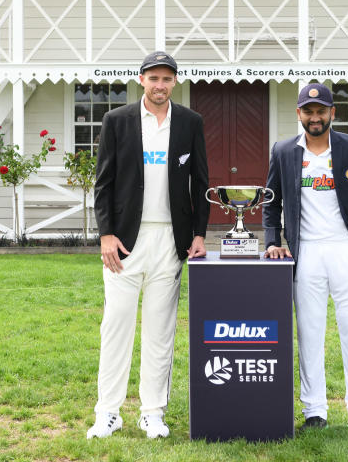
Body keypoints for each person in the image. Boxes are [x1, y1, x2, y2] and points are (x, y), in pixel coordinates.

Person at [87, 51, 209, 440]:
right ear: (141, 79)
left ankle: (152, 412)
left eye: (167, 79)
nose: (160, 85)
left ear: (175, 83)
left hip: (170, 241)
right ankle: (108, 411)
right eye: (154, 78)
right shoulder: (117, 121)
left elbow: (201, 183)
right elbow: (103, 184)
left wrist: (199, 234)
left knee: (161, 330)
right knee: (116, 325)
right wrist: (106, 234)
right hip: (124, 242)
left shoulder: (190, 122)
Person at [263, 82, 348, 436]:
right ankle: (314, 411)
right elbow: (272, 204)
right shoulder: (284, 150)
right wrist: (272, 242)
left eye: (321, 111)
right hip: (307, 253)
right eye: (308, 111)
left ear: (332, 112)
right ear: (298, 113)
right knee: (310, 333)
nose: (314, 117)